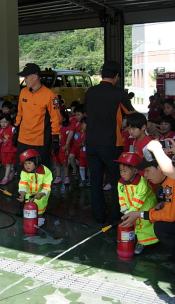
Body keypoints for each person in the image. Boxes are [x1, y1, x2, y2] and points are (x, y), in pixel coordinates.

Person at [84, 60, 135, 224]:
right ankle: (114, 217)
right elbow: (132, 114)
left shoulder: (90, 92)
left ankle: (98, 215)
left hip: (91, 142)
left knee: (96, 180)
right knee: (116, 181)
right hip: (111, 144)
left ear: (101, 75)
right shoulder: (118, 94)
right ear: (117, 76)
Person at [121, 140, 175, 273]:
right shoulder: (167, 182)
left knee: (162, 227)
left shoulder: (172, 180)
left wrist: (156, 148)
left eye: (148, 171)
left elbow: (170, 215)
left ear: (161, 168)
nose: (145, 175)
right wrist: (165, 203)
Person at [15, 63, 61, 170]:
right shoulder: (23, 92)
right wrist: (16, 131)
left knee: (41, 173)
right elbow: (19, 114)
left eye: (26, 77)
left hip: (40, 142)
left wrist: (55, 140)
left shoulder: (50, 95)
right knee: (23, 173)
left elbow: (55, 119)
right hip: (23, 140)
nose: (24, 80)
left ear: (35, 77)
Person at [115, 152, 158, 254]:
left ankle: (142, 242)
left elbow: (138, 200)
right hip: (132, 209)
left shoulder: (142, 183)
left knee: (144, 225)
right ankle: (136, 238)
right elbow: (121, 197)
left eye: (125, 171)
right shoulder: (121, 182)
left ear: (136, 170)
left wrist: (130, 212)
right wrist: (124, 208)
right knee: (134, 223)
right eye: (120, 170)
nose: (122, 174)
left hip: (145, 207)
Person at [17, 149, 52, 227]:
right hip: (29, 193)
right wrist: (22, 196)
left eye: (29, 163)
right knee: (29, 208)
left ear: (36, 162)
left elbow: (47, 186)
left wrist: (41, 194)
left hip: (41, 193)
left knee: (40, 208)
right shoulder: (24, 172)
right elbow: (23, 185)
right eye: (25, 164)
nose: (27, 166)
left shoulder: (46, 171)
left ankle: (40, 219)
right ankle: (31, 220)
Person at [0, 113, 17, 185]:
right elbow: (1, 138)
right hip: (3, 150)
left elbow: (16, 137)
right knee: (4, 164)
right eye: (1, 122)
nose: (3, 124)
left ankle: (6, 177)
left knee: (8, 164)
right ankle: (11, 172)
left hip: (11, 150)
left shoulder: (12, 129)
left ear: (9, 122)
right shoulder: (1, 129)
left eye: (5, 122)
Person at [63, 104, 86, 177]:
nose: (76, 117)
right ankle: (75, 169)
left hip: (83, 146)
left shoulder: (86, 122)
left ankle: (85, 175)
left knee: (84, 161)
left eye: (78, 115)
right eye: (75, 115)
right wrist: (67, 144)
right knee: (71, 156)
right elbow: (71, 132)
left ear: (84, 114)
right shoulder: (75, 122)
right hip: (75, 145)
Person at [0, 101, 14, 169]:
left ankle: (12, 169)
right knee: (0, 150)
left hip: (10, 144)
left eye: (7, 109)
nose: (5, 110)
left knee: (9, 161)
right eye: (3, 109)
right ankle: (0, 161)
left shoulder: (12, 122)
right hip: (2, 140)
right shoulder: (0, 119)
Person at [53, 110, 70, 185]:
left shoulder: (66, 130)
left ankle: (66, 177)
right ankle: (58, 177)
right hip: (55, 149)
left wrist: (67, 148)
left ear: (64, 119)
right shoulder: (53, 129)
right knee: (57, 163)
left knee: (64, 164)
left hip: (63, 149)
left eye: (59, 117)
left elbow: (68, 140)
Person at [78, 117, 90, 187]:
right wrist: (82, 144)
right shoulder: (81, 134)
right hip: (82, 154)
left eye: (83, 124)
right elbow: (78, 143)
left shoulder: (91, 134)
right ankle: (83, 179)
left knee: (89, 168)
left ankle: (90, 180)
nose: (82, 126)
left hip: (89, 154)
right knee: (82, 167)